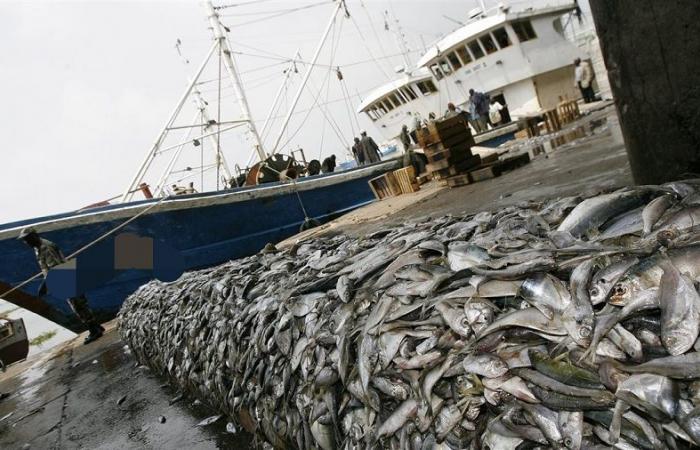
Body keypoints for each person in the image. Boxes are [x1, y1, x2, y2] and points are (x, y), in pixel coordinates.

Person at [18, 227, 104, 344]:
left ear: (34, 236)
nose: (26, 242)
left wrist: (44, 286)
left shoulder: (45, 248)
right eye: (24, 240)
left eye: (27, 239)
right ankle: (97, 327)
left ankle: (94, 330)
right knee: (80, 304)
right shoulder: (37, 247)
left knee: (78, 306)